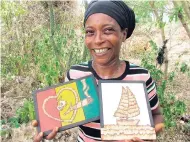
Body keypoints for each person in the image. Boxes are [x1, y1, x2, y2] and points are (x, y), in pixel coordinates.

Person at [33, 1, 164, 142]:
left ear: (124, 34)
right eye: (90, 32)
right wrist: (49, 125)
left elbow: (157, 115)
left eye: (108, 30)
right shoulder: (76, 74)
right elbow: (63, 111)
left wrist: (151, 134)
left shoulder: (141, 77)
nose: (98, 40)